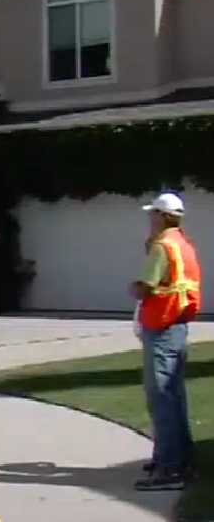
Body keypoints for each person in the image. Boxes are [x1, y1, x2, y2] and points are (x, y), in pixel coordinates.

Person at [129, 192, 202, 491]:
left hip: (161, 324)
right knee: (174, 393)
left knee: (160, 396)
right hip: (177, 324)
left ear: (161, 215)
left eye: (152, 214)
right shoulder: (183, 244)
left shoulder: (162, 246)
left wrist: (133, 288)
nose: (149, 219)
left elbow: (146, 287)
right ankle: (177, 458)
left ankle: (170, 469)